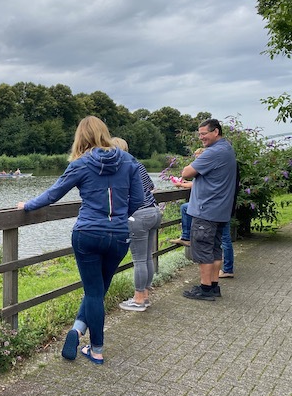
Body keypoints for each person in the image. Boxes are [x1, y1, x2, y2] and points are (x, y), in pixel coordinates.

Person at [17, 116, 144, 364]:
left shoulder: (81, 163)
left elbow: (53, 194)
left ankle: (95, 348)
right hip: (119, 236)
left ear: (81, 137)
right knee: (99, 289)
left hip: (88, 234)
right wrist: (118, 218)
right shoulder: (129, 161)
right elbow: (138, 200)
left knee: (94, 292)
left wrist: (27, 205)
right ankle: (79, 332)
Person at [181, 118, 237, 301]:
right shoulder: (227, 149)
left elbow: (186, 173)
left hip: (206, 210)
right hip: (220, 210)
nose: (201, 137)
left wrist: (194, 165)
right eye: (199, 134)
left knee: (203, 248)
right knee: (214, 248)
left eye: (204, 134)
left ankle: (205, 289)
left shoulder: (213, 152)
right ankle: (213, 286)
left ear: (216, 132)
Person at [110, 138, 163, 312]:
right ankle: (145, 296)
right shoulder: (137, 164)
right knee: (147, 257)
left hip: (138, 215)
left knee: (139, 259)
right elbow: (151, 187)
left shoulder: (119, 167)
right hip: (154, 211)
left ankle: (138, 299)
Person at [169, 147, 205, 247]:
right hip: (206, 202)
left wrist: (180, 184)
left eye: (198, 157)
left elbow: (195, 185)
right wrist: (185, 183)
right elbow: (195, 183)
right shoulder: (204, 167)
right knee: (185, 207)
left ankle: (186, 237)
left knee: (185, 208)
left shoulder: (202, 167)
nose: (196, 160)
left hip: (204, 203)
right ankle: (186, 237)